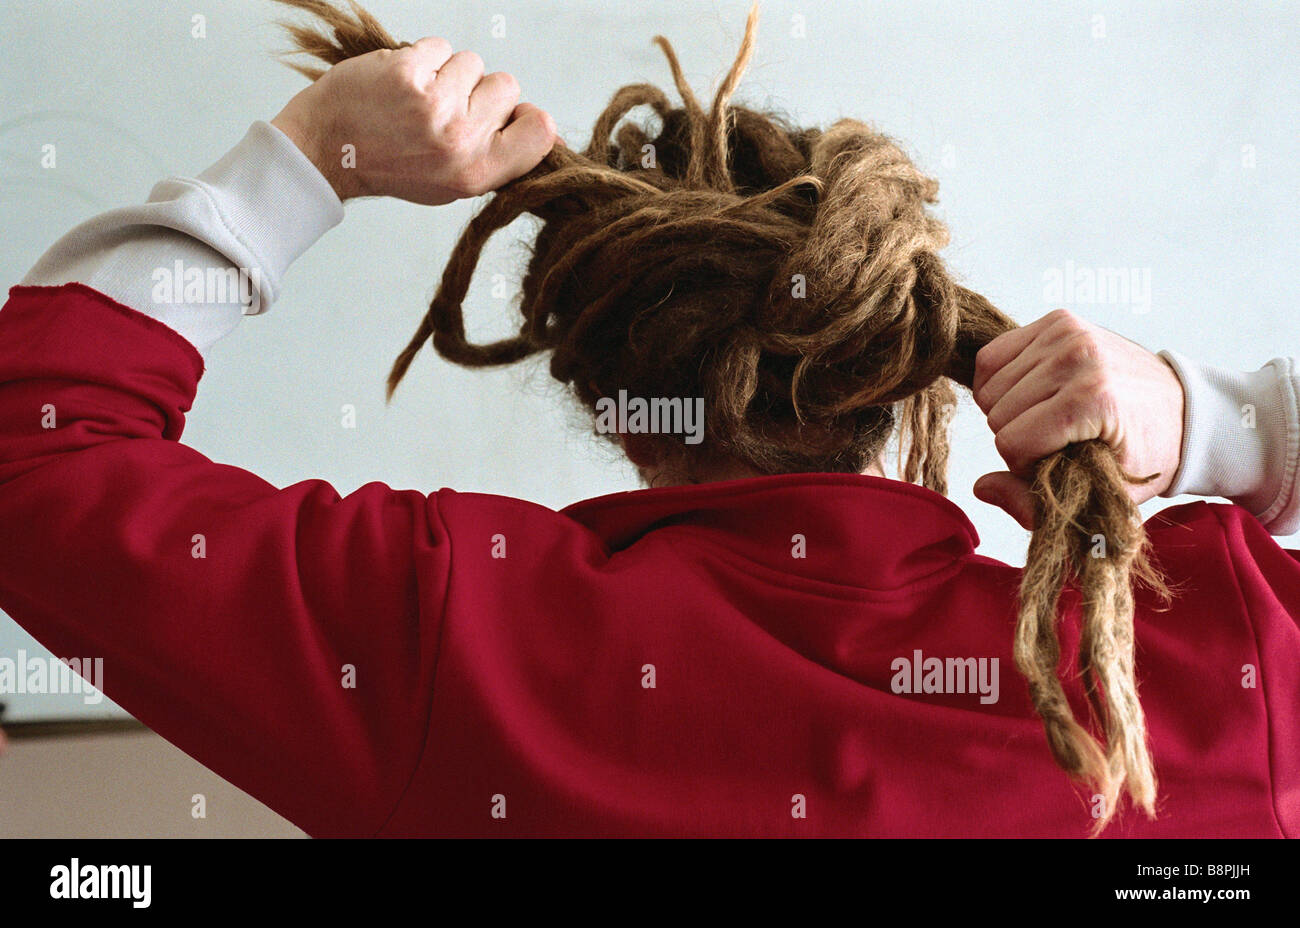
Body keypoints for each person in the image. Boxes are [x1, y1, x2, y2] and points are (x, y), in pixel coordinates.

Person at [0, 1, 1296, 838]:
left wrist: (308, 157)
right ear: (902, 370)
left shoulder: (450, 637)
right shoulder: (1215, 670)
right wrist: (1228, 427)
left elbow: (36, 451)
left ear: (615, 400)